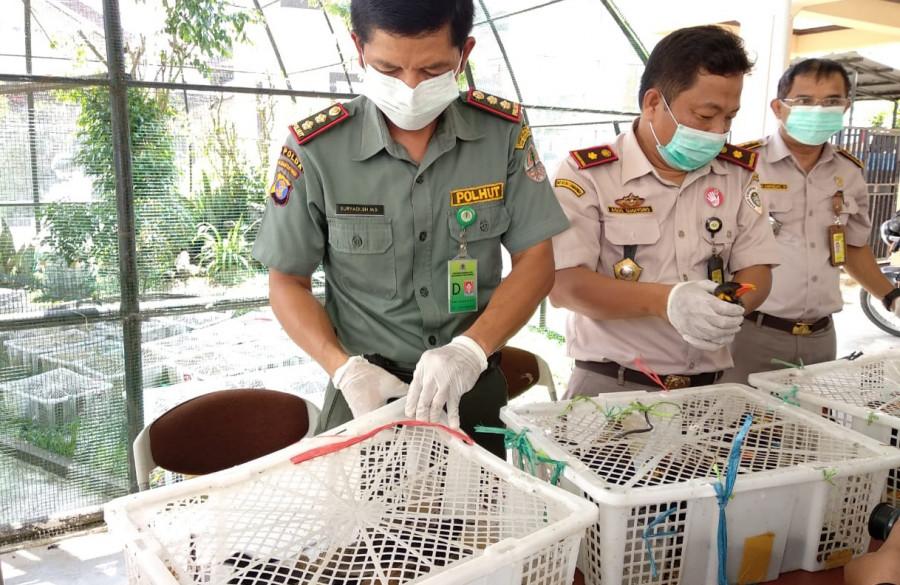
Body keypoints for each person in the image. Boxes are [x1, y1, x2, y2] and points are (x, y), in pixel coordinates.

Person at [251, 0, 569, 456]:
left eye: (433, 69)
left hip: (470, 381)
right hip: (367, 393)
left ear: (465, 54)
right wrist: (343, 370)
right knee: (361, 525)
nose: (411, 86)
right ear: (359, 49)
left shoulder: (502, 134)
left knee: (488, 523)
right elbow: (287, 281)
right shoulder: (317, 149)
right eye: (389, 67)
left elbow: (536, 260)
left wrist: (470, 351)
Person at [549, 25, 779, 396]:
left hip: (710, 391)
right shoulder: (588, 175)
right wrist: (667, 302)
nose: (720, 131)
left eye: (730, 117)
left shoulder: (736, 175)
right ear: (653, 103)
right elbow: (564, 287)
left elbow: (758, 268)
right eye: (706, 116)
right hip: (613, 386)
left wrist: (730, 308)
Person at [722, 58, 900, 383]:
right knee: (739, 429)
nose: (818, 110)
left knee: (807, 430)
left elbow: (852, 248)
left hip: (821, 338)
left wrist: (891, 297)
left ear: (846, 107)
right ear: (778, 107)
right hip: (751, 333)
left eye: (831, 101)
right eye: (804, 101)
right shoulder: (740, 167)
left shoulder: (849, 171)